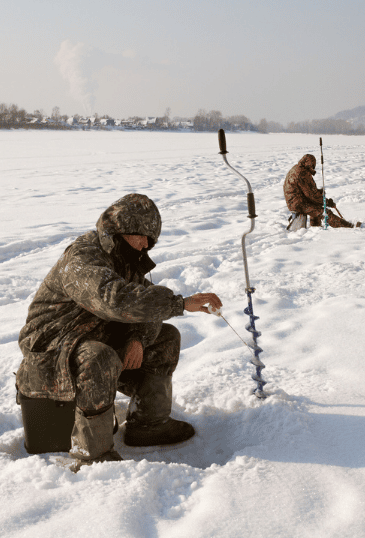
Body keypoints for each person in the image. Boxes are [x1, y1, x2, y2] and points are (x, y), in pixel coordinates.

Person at [15, 193, 222, 470]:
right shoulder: (83, 258)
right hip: (52, 347)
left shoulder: (125, 256)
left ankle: (148, 424)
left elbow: (142, 300)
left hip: (92, 333)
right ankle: (93, 455)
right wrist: (179, 303)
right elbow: (114, 299)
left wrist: (136, 337)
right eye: (142, 236)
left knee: (165, 338)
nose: (147, 244)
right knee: (99, 358)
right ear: (120, 230)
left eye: (152, 239)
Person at [283, 154, 356, 229]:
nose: (313, 168)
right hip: (298, 204)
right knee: (324, 212)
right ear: (309, 164)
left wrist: (318, 192)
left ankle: (315, 227)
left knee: (315, 205)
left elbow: (308, 191)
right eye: (312, 165)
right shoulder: (302, 173)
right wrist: (327, 203)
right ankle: (347, 227)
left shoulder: (297, 168)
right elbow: (312, 196)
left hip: (295, 201)